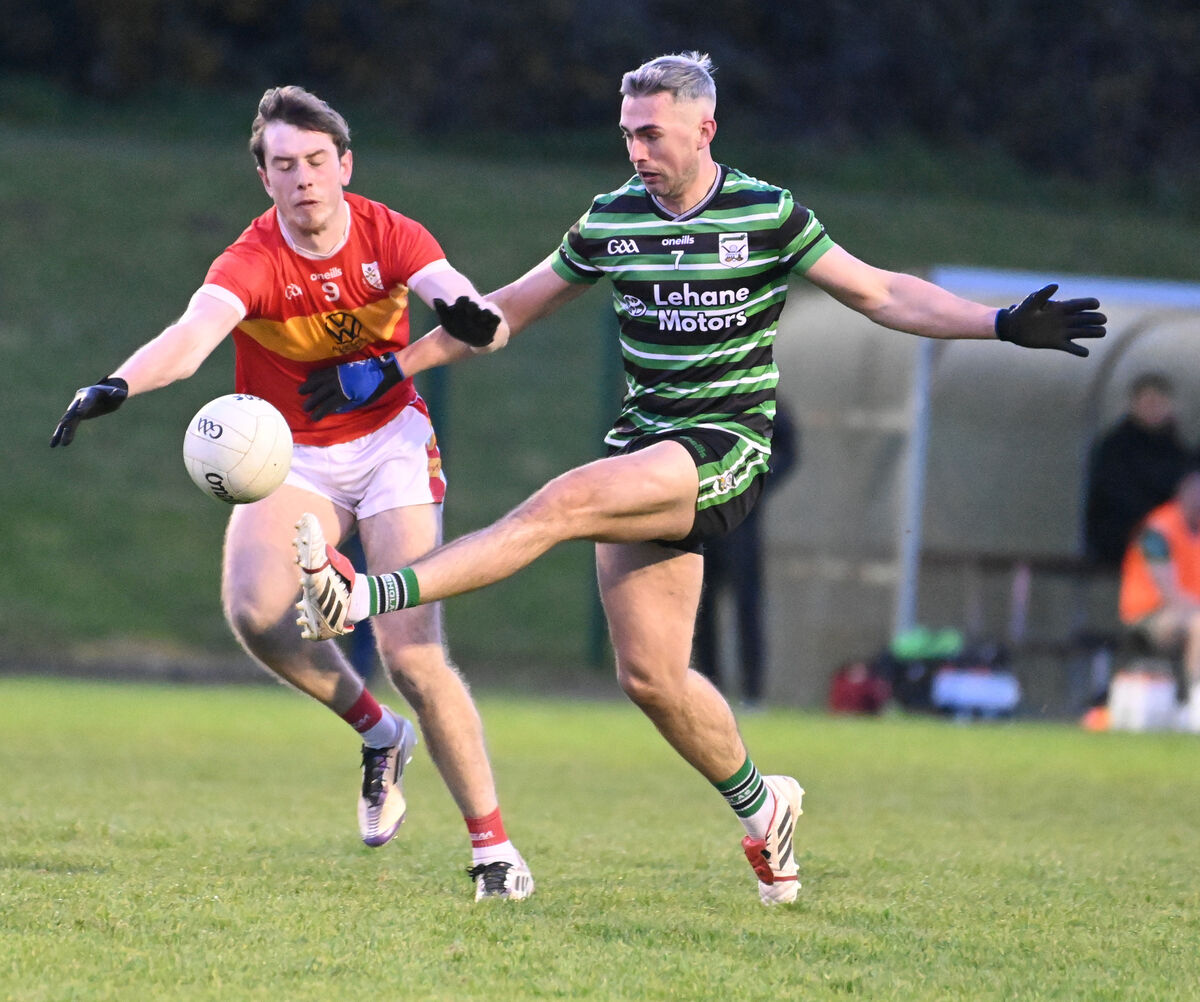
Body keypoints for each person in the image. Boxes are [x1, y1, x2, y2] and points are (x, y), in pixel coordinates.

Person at [292, 52, 1107, 905]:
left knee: (563, 502)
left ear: (703, 129)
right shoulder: (612, 218)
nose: (637, 150)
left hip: (724, 447)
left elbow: (881, 293)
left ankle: (364, 597)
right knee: (651, 679)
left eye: (652, 134)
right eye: (627, 134)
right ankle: (767, 811)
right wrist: (398, 366)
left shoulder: (766, 212)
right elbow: (505, 315)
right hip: (644, 445)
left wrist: (1000, 322)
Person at [49, 85, 534, 902]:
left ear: (345, 165)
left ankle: (494, 852)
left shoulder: (390, 233)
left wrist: (464, 318)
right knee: (254, 613)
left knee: (412, 650)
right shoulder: (252, 258)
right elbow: (190, 341)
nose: (304, 178)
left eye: (317, 161)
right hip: (290, 457)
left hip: (390, 447)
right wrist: (115, 385)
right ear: (264, 179)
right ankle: (380, 736)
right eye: (284, 165)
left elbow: (460, 298)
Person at [693, 400, 798, 708]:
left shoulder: (762, 396)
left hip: (742, 522)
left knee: (747, 604)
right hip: (703, 518)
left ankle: (752, 693)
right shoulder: (700, 392)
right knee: (700, 605)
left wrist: (755, 481)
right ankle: (707, 688)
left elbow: (789, 451)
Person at [1118, 464, 1200, 729]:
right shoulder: (1157, 532)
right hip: (1149, 615)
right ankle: (1194, 704)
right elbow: (1171, 594)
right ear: (1182, 492)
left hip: (1187, 612)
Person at [1085, 372, 1191, 570]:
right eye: (1148, 401)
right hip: (1122, 540)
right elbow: (1113, 495)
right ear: (1133, 404)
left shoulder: (1179, 452)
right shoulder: (1115, 449)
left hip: (1170, 541)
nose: (1153, 408)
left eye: (1159, 402)